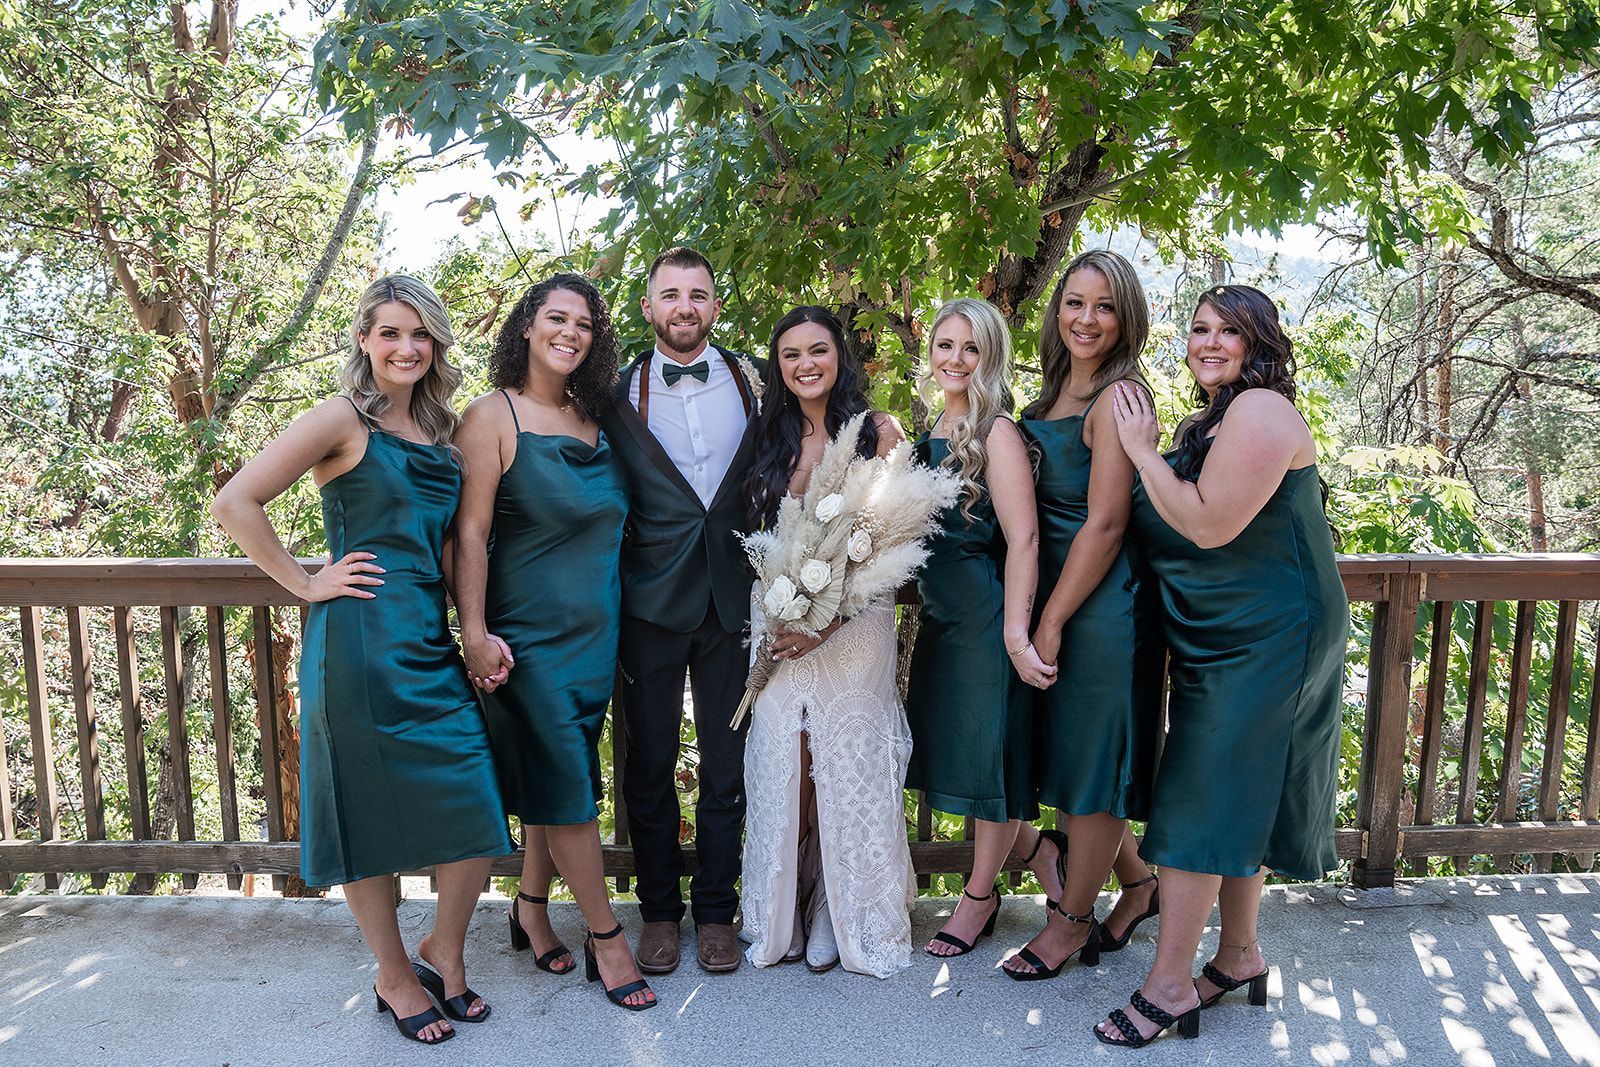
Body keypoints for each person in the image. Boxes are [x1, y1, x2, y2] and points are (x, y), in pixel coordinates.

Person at [211, 275, 513, 1045]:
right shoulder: (341, 419)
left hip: (428, 638)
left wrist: (475, 630)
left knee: (476, 795)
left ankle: (443, 948)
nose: (406, 347)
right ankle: (393, 973)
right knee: (361, 810)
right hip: (356, 645)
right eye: (389, 333)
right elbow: (235, 502)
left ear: (436, 344)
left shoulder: (442, 433)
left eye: (419, 334)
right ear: (364, 340)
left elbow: (453, 546)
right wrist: (307, 581)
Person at [1095, 285, 1349, 1047]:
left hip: (1272, 633)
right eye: (1198, 327)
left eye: (1228, 330)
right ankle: (1238, 954)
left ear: (1259, 340)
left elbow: (1208, 521)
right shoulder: (1219, 414)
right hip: (1217, 635)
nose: (1208, 341)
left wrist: (1140, 452)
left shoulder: (1263, 410)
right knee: (1241, 791)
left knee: (1202, 795)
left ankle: (1169, 984)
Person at [452, 274, 655, 1011]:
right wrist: (473, 631)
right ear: (528, 326)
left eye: (585, 324)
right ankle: (607, 935)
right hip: (525, 639)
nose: (571, 332)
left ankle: (530, 906)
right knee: (568, 787)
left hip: (596, 636)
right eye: (556, 318)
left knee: (554, 777)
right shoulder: (491, 416)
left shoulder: (598, 420)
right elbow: (468, 533)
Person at [598, 246, 764, 975]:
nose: (685, 307)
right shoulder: (613, 391)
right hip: (650, 600)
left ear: (716, 307)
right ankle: (660, 912)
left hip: (736, 600)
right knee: (650, 763)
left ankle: (718, 913)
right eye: (671, 294)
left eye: (698, 293)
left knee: (730, 765)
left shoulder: (753, 381)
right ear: (648, 308)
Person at [738, 304, 914, 977]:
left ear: (840, 355)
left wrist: (829, 623)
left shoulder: (877, 431)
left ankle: (840, 912)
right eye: (791, 354)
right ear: (778, 366)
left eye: (818, 350)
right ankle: (797, 896)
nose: (806, 364)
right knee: (791, 753)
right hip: (780, 621)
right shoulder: (765, 437)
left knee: (846, 756)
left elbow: (893, 539)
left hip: (854, 624)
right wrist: (789, 615)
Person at [1004, 252, 1165, 981]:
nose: (1086, 319)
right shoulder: (1047, 400)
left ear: (1126, 317)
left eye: (1104, 306)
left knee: (1095, 767)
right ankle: (1139, 883)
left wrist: (1051, 620)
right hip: (1056, 597)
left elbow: (1104, 524)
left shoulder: (1119, 398)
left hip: (1101, 608)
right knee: (1074, 761)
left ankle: (1070, 923)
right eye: (1074, 302)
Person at [903, 298, 1064, 960]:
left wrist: (1016, 632)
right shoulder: (933, 425)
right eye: (945, 344)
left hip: (989, 622)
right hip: (942, 622)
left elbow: (1025, 540)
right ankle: (1040, 848)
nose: (955, 359)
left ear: (991, 356)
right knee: (964, 762)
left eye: (971, 348)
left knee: (989, 766)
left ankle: (979, 895)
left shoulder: (997, 431)